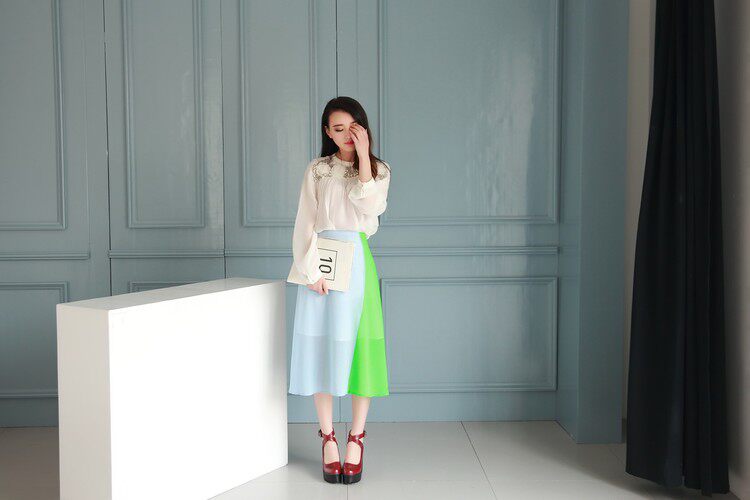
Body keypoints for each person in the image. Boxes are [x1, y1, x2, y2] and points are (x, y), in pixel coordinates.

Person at [287, 96, 391, 485]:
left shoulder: (378, 171)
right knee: (321, 347)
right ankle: (328, 436)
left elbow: (371, 209)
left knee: (360, 348)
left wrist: (363, 157)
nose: (346, 134)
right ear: (327, 133)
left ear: (363, 128)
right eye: (338, 128)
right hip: (322, 262)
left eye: (353, 127)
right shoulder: (317, 170)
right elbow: (305, 220)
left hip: (357, 263)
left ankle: (357, 437)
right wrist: (309, 270)